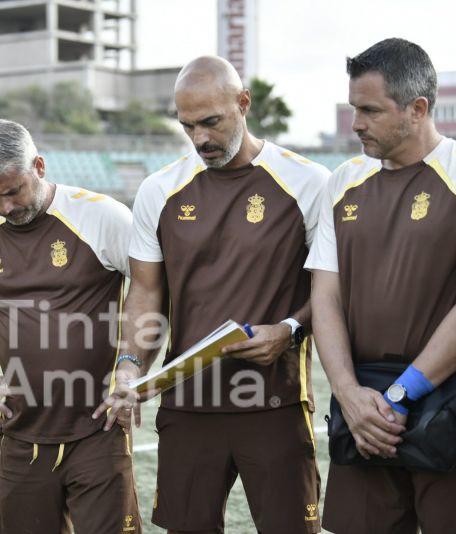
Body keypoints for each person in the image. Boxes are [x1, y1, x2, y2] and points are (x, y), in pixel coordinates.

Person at [94, 55, 329, 534]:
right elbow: (145, 293)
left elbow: (334, 290)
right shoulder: (159, 191)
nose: (200, 138)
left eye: (211, 122)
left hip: (276, 404)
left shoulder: (309, 183)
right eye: (187, 126)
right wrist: (128, 367)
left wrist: (290, 329)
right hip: (188, 404)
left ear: (243, 104)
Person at [305, 37, 456, 534]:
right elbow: (325, 296)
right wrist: (348, 394)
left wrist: (397, 397)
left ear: (417, 109)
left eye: (369, 110)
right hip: (363, 414)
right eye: (353, 108)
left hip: (453, 413)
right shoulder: (342, 181)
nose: (356, 124)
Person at [0, 119, 141, 533]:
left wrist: (130, 365)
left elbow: (151, 291)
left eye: (13, 191)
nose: (6, 207)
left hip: (98, 428)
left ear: (39, 165)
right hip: (21, 431)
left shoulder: (102, 217)